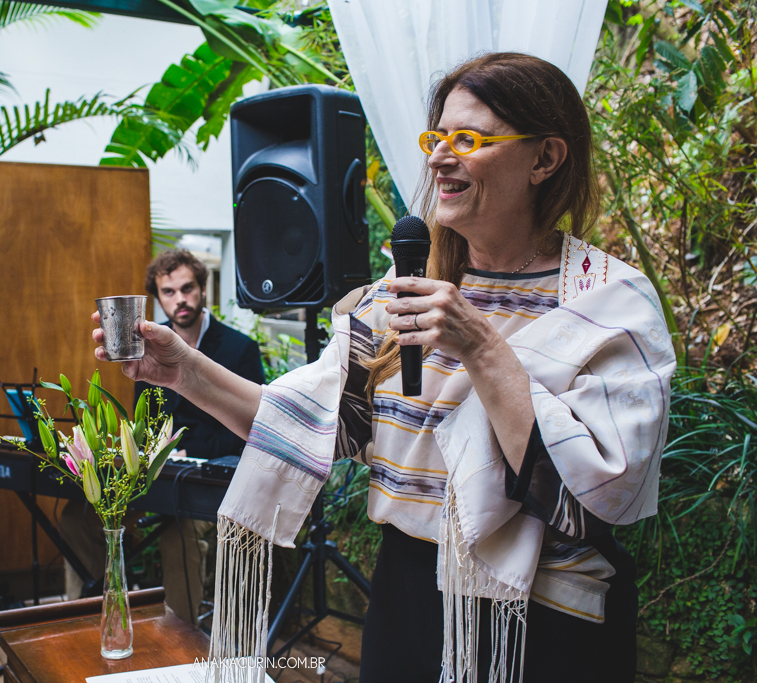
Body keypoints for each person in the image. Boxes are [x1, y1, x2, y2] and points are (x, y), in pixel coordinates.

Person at [93, 53, 675, 683]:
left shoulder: (609, 302)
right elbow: (306, 423)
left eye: (469, 139)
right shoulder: (395, 297)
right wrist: (183, 370)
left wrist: (481, 346)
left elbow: (591, 501)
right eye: (437, 137)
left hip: (545, 623)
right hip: (408, 602)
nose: (438, 158)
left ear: (545, 158)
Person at [60, 249, 264, 624]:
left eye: (187, 288)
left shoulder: (239, 349)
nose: (180, 299)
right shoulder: (145, 351)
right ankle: (97, 613)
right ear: (157, 297)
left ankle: (184, 639)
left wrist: (184, 449)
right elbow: (146, 425)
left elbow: (250, 433)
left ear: (203, 289)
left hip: (210, 484)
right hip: (158, 478)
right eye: (168, 292)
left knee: (178, 530)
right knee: (78, 515)